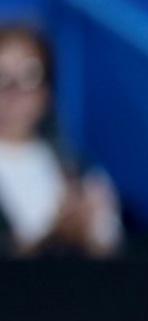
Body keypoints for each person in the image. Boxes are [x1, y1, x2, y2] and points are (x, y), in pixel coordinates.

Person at [0, 24, 122, 258]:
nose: (12, 94)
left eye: (29, 76)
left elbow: (111, 248)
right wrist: (54, 237)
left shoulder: (77, 169)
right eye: (2, 77)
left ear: (47, 90)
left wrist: (86, 232)